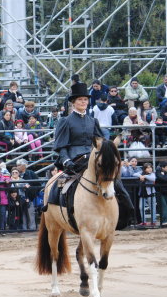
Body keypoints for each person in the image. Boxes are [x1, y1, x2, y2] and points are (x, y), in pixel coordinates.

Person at [53, 81, 134, 227]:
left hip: (92, 158)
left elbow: (101, 142)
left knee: (113, 177)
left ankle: (127, 211)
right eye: (80, 100)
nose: (83, 102)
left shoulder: (93, 120)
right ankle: (60, 208)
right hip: (74, 159)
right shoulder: (65, 121)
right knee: (62, 185)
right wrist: (66, 161)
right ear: (73, 102)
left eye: (85, 99)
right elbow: (60, 146)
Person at [155, 161, 167, 226]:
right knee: (164, 206)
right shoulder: (158, 172)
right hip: (160, 192)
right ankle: (164, 220)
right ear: (162, 168)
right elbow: (164, 179)